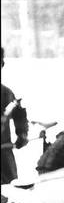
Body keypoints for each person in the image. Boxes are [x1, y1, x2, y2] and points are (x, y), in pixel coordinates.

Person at [1, 47, 29, 184]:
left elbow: (19, 114)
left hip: (4, 155)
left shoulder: (6, 93)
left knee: (10, 192)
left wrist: (22, 134)